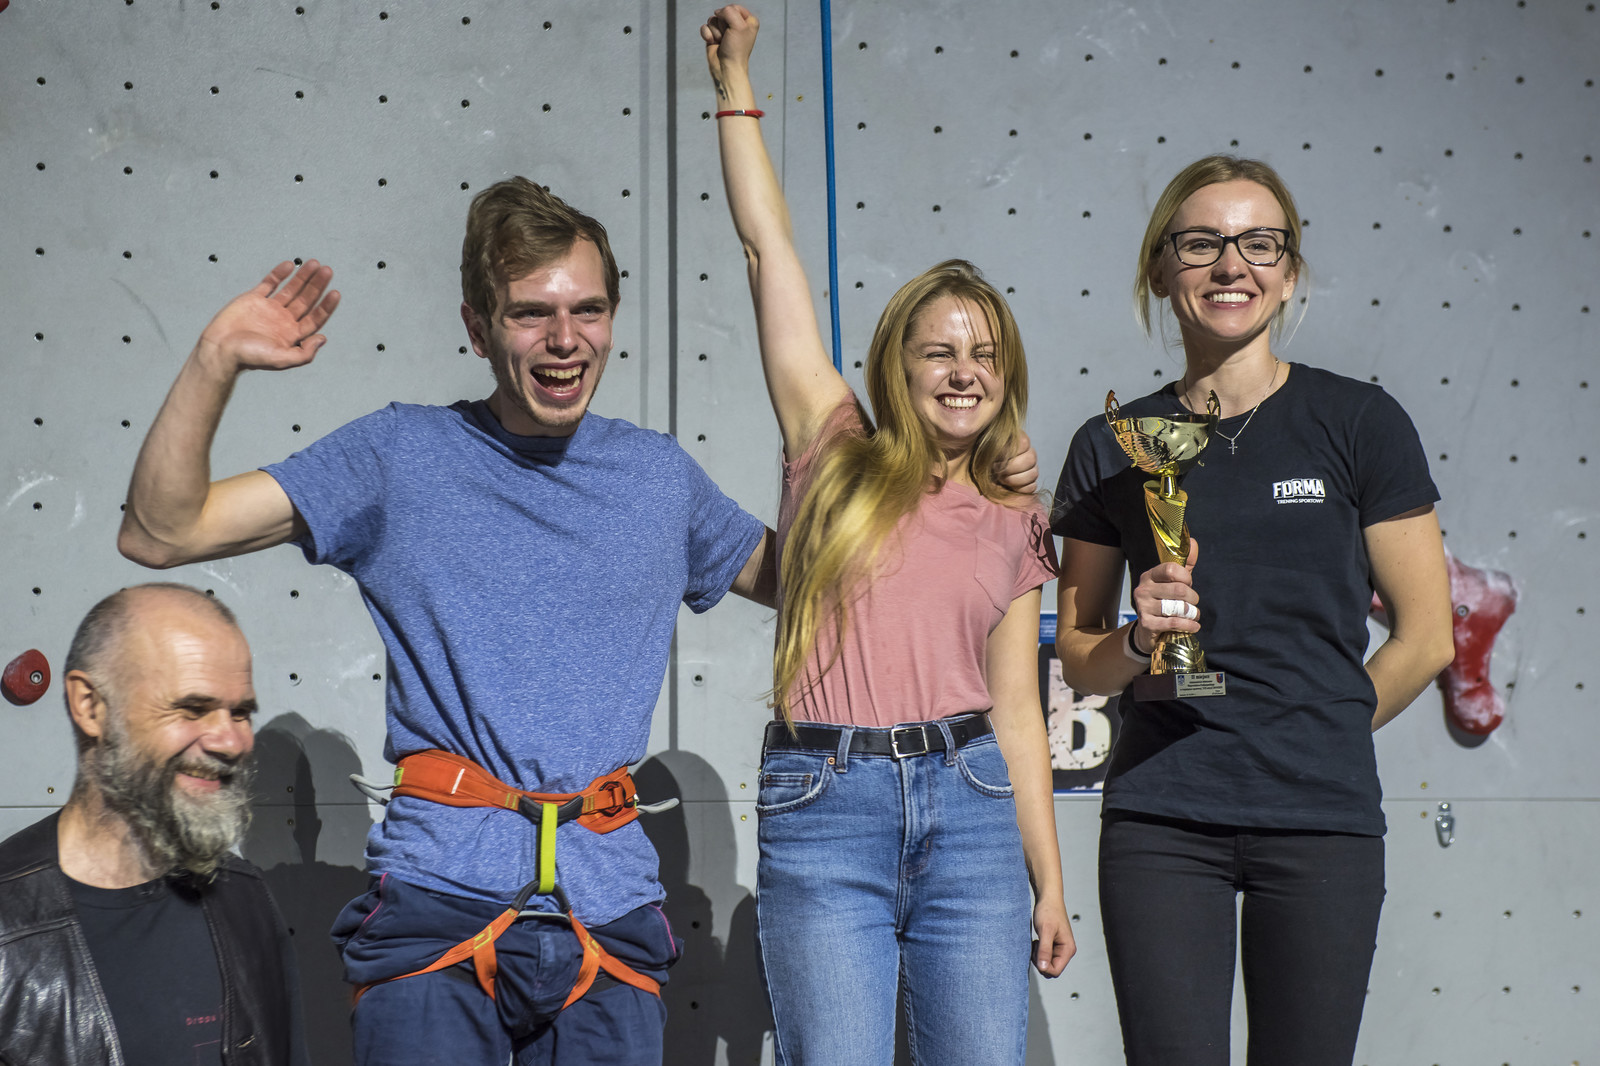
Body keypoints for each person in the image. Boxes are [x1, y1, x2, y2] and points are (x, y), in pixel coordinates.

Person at [116, 182, 776, 1065]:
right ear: (477, 328)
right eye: (530, 314)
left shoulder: (658, 479)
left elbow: (821, 582)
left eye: (587, 310)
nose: (565, 339)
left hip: (610, 916)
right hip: (439, 910)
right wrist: (214, 360)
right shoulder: (402, 457)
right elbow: (160, 531)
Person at [702, 9, 1074, 1064]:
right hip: (827, 805)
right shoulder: (832, 449)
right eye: (939, 351)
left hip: (972, 809)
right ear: (895, 367)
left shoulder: (1014, 514)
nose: (964, 372)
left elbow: (1018, 712)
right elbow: (767, 250)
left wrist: (1049, 882)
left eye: (984, 355)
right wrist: (734, 84)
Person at [1050, 155, 1455, 1065]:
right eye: (1201, 243)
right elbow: (1079, 655)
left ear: (1290, 272)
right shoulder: (1113, 446)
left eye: (1259, 243)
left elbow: (1427, 637)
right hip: (1163, 819)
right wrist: (1139, 638)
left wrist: (1320, 726)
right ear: (1162, 270)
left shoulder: (1361, 423)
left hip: (1320, 817)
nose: (1231, 264)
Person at [0, 583, 308, 1066]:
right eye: (192, 708)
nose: (231, 742)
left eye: (240, 713)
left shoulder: (245, 897)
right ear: (90, 706)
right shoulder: (8, 922)